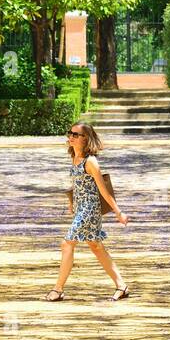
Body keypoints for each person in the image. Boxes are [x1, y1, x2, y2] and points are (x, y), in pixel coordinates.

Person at [43, 121, 131, 302]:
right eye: (70, 133)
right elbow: (78, 185)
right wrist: (72, 202)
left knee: (67, 244)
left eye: (76, 135)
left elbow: (103, 191)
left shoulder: (90, 162)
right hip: (81, 208)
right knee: (96, 247)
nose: (71, 137)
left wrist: (118, 212)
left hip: (90, 210)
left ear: (86, 139)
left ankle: (58, 289)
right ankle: (122, 286)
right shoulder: (75, 159)